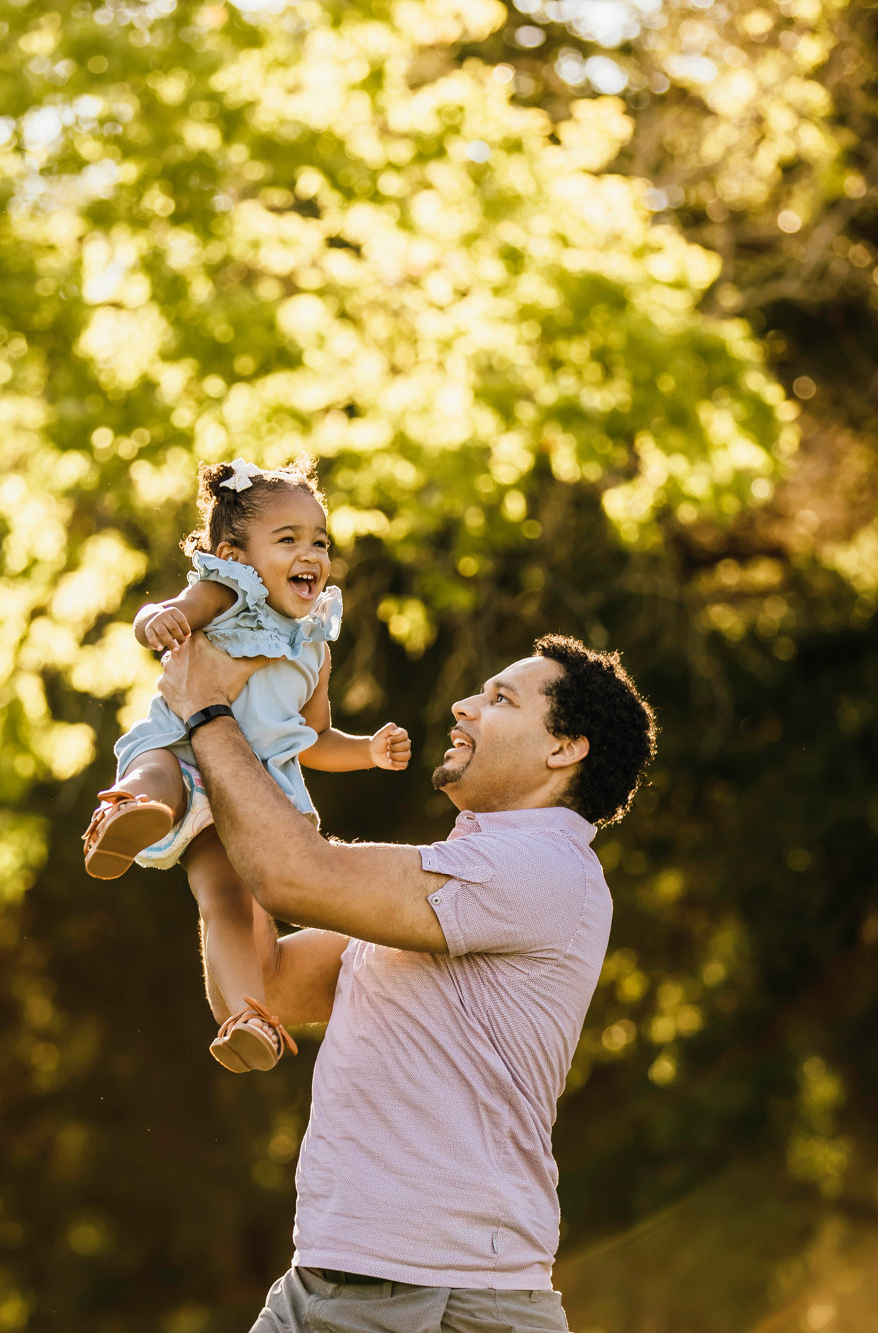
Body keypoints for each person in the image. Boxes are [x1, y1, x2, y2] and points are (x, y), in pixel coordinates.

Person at [158, 627, 657, 1331]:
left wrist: (210, 717)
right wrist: (210, 847)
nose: (462, 706)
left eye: (500, 699)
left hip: (425, 1295)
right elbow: (266, 984)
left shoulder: (544, 870)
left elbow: (295, 876)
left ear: (563, 748)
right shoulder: (454, 886)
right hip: (353, 1282)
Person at [82, 456, 412, 1072]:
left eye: (319, 540)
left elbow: (310, 738)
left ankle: (248, 1016)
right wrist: (158, 620)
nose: (309, 553)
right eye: (287, 540)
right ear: (235, 555)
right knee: (160, 776)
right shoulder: (231, 590)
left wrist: (364, 751)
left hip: (248, 795)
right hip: (182, 747)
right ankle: (126, 814)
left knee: (229, 903)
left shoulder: (317, 641)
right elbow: (157, 610)